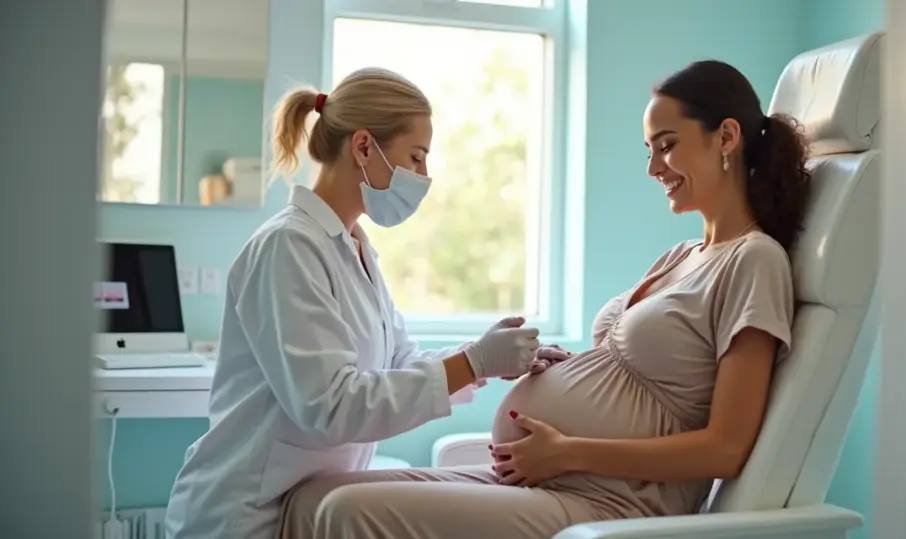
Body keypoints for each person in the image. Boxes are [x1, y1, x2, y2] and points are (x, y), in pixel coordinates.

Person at [275, 59, 813, 539]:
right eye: (649, 151)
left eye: (667, 145)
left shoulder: (754, 261)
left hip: (611, 503)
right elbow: (637, 377)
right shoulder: (681, 255)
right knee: (311, 500)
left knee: (347, 513)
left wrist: (570, 449)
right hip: (554, 479)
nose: (653, 169)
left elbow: (726, 447)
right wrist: (557, 366)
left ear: (726, 137)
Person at [163, 67, 572, 539]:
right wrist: (473, 361)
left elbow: (398, 361)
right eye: (416, 157)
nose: (424, 176)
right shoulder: (288, 247)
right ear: (362, 147)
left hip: (305, 505)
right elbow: (332, 406)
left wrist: (485, 359)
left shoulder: (353, 247)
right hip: (245, 515)